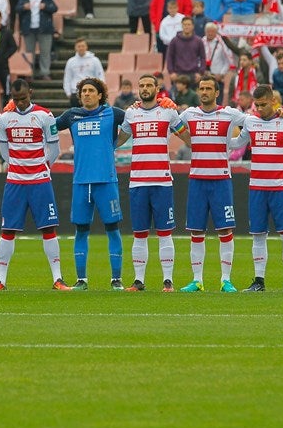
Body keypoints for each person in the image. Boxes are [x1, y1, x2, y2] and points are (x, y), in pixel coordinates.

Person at [0, 79, 69, 291]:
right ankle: (0, 280)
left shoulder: (45, 116)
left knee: (48, 228)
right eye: (16, 99)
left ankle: (58, 279)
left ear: (30, 93)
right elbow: (4, 152)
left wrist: (41, 167)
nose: (20, 103)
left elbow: (54, 149)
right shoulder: (4, 119)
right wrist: (17, 167)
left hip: (40, 181)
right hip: (15, 182)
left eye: (23, 98)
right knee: (8, 229)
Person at [224, 84, 283, 292]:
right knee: (258, 235)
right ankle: (259, 281)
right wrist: (218, 136)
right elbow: (235, 143)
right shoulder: (251, 122)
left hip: (281, 187)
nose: (259, 109)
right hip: (257, 188)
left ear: (273, 101)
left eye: (263, 105)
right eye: (256, 105)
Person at [115, 74, 189, 292]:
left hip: (162, 181)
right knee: (139, 233)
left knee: (165, 233)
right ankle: (139, 281)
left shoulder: (168, 111)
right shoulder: (131, 113)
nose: (145, 88)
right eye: (142, 85)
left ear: (157, 88)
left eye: (149, 85)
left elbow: (187, 137)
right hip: (137, 181)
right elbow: (120, 140)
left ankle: (168, 280)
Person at [53, 79, 126, 290]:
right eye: (83, 91)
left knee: (112, 228)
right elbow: (46, 125)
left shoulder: (113, 113)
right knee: (81, 230)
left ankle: (116, 279)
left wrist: (165, 104)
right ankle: (81, 280)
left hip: (106, 181)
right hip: (81, 182)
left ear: (100, 95)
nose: (86, 94)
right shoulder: (71, 116)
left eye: (91, 91)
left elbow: (139, 118)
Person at [177, 75, 247, 293]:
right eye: (201, 88)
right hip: (197, 180)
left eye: (208, 88)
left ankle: (226, 280)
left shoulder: (230, 114)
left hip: (221, 180)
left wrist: (235, 143)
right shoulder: (189, 114)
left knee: (225, 230)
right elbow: (170, 123)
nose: (204, 91)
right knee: (196, 231)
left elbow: (254, 124)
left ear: (217, 93)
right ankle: (197, 280)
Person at [19, 0, 58, 80]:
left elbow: (54, 8)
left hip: (44, 28)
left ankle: (45, 72)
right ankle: (29, 72)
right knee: (29, 52)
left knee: (45, 51)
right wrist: (24, 7)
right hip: (29, 28)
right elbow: (17, 8)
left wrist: (45, 6)